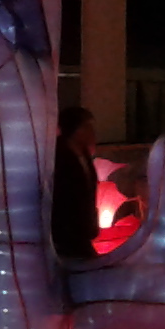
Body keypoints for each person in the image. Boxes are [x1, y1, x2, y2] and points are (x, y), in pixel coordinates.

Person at [51, 105, 100, 259]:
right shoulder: (58, 157)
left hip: (82, 230)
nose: (92, 132)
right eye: (87, 127)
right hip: (66, 232)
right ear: (75, 130)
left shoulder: (84, 154)